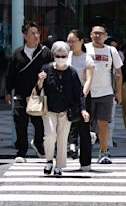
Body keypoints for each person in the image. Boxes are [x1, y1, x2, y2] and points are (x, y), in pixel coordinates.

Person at [5, 21, 53, 163]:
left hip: (39, 95)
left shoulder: (45, 52)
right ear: (25, 35)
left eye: (37, 33)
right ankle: (21, 152)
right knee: (20, 123)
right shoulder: (17, 53)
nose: (36, 36)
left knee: (39, 124)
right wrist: (8, 91)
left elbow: (52, 71)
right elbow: (11, 74)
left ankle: (38, 143)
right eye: (32, 33)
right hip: (20, 94)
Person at [37, 41, 83, 176]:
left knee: (63, 138)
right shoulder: (46, 69)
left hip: (66, 111)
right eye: (58, 55)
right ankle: (49, 160)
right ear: (53, 54)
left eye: (63, 55)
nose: (61, 58)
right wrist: (40, 80)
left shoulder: (72, 72)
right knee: (50, 136)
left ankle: (59, 165)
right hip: (49, 109)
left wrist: (82, 109)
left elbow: (78, 93)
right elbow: (38, 89)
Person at [85, 25, 123, 164]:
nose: (98, 36)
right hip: (87, 92)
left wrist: (119, 92)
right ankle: (84, 150)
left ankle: (104, 151)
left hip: (106, 93)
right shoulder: (84, 48)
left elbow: (119, 73)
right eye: (95, 33)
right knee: (85, 124)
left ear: (105, 35)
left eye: (101, 33)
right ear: (90, 34)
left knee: (103, 124)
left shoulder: (111, 51)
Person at [66, 29, 95, 171]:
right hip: (66, 96)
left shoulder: (87, 58)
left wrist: (81, 96)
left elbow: (89, 79)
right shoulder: (65, 56)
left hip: (83, 95)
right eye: (69, 41)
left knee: (84, 129)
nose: (71, 44)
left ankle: (85, 162)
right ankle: (68, 150)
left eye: (73, 41)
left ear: (81, 41)